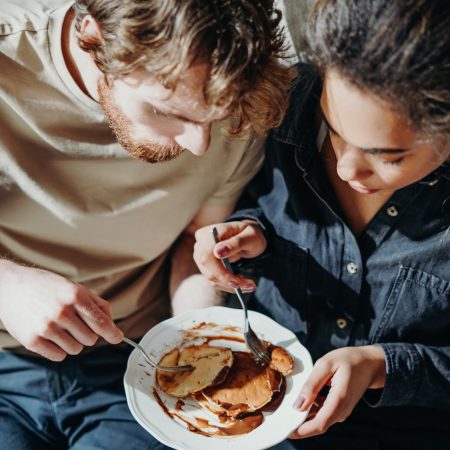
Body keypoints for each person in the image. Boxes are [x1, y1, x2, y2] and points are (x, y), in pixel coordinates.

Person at [0, 0, 295, 448]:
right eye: (169, 111)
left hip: (135, 355)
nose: (199, 144)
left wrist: (198, 336)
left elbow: (189, 249)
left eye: (212, 117)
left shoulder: (238, 96)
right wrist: (7, 285)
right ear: (93, 36)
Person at [194, 1, 450, 449]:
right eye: (332, 129)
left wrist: (382, 365)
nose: (348, 167)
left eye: (387, 156)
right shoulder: (292, 101)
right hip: (249, 409)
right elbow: (261, 203)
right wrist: (249, 231)